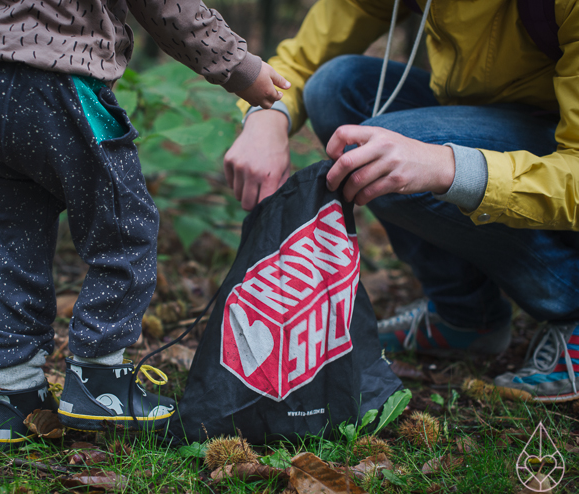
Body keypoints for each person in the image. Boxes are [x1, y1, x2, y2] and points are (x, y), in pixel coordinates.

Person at [0, 0, 290, 448]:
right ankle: (99, 381)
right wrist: (239, 67)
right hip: (57, 74)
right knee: (124, 229)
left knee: (12, 240)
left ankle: (15, 396)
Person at [224, 0, 579, 402]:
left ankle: (571, 305)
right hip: (497, 117)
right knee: (337, 86)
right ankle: (465, 314)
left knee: (381, 159)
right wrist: (266, 116)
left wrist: (446, 167)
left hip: (561, 144)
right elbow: (307, 56)